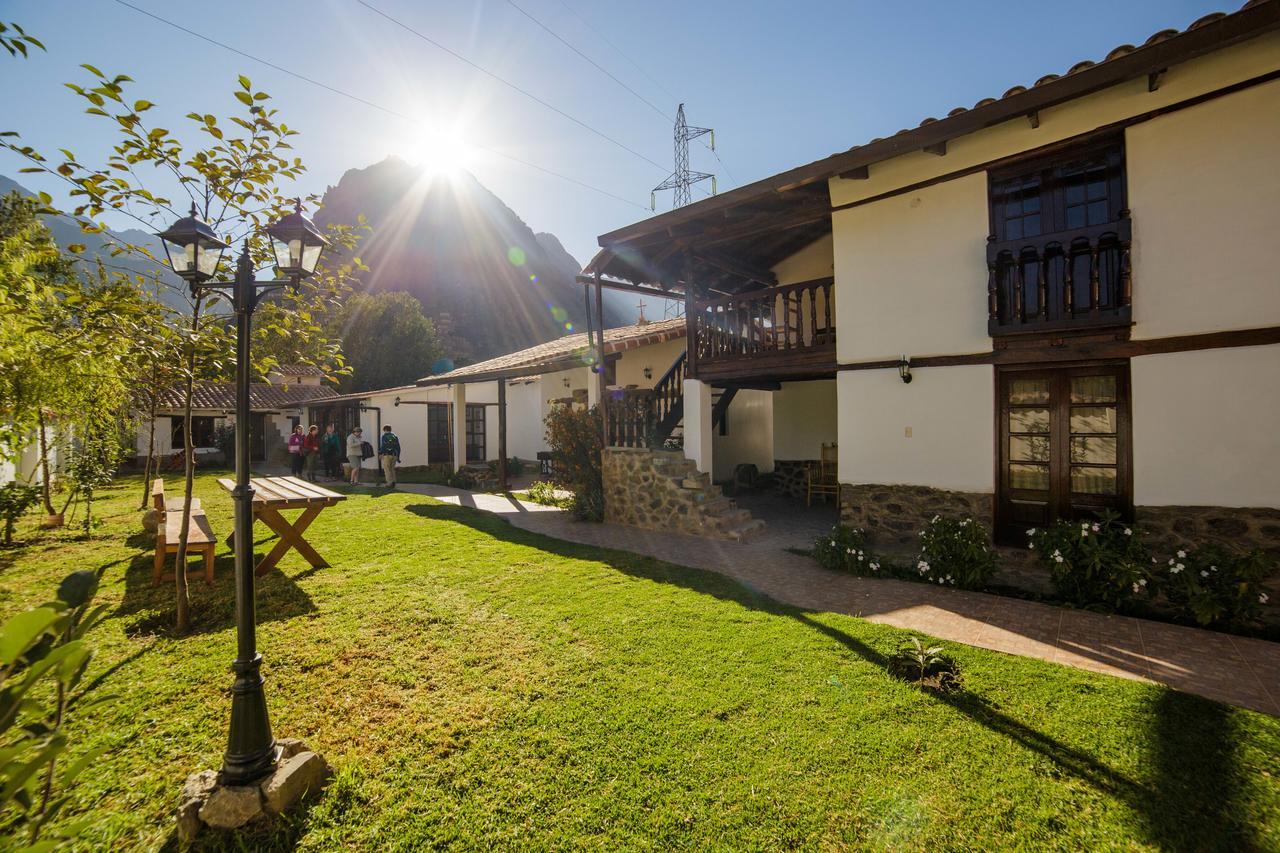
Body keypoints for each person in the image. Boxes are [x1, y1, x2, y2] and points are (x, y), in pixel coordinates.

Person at [378, 424, 400, 488]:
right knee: (392, 469)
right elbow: (398, 447)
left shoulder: (384, 436)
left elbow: (383, 446)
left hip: (387, 455)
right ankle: (393, 481)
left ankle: (389, 483)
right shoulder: (395, 437)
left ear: (384, 430)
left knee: (387, 469)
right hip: (394, 455)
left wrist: (380, 453)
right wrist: (398, 457)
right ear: (390, 430)